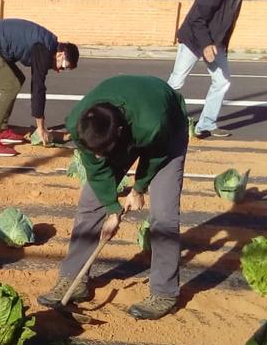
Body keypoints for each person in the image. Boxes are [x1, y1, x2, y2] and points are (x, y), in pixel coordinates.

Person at [37, 75, 189, 321]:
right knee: (90, 205)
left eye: (102, 153)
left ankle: (164, 292)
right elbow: (96, 170)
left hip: (167, 130)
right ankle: (74, 280)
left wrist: (138, 188)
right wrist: (111, 207)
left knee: (164, 216)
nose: (98, 158)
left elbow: (156, 156)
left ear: (119, 133)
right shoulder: (79, 123)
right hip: (124, 129)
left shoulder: (153, 123)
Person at [167, 0, 257, 139]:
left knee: (222, 81)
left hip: (215, 43)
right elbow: (197, 19)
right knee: (176, 82)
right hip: (193, 40)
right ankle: (160, 118)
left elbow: (225, 20)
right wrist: (206, 44)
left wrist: (220, 44)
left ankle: (205, 124)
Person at [0, 18, 79, 157]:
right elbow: (38, 88)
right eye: (63, 66)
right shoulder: (43, 49)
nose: (60, 70)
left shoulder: (48, 45)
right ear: (60, 54)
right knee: (10, 85)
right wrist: (40, 127)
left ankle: (2, 129)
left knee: (18, 80)